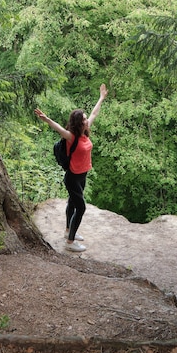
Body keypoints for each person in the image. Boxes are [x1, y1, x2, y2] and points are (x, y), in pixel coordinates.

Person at [34, 84, 108, 252]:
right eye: (83, 119)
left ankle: (69, 230)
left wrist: (101, 97)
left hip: (83, 174)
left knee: (72, 202)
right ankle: (70, 242)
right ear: (77, 123)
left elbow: (95, 112)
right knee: (80, 207)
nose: (86, 120)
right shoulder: (71, 136)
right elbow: (58, 128)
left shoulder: (85, 131)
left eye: (85, 118)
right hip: (73, 177)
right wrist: (45, 119)